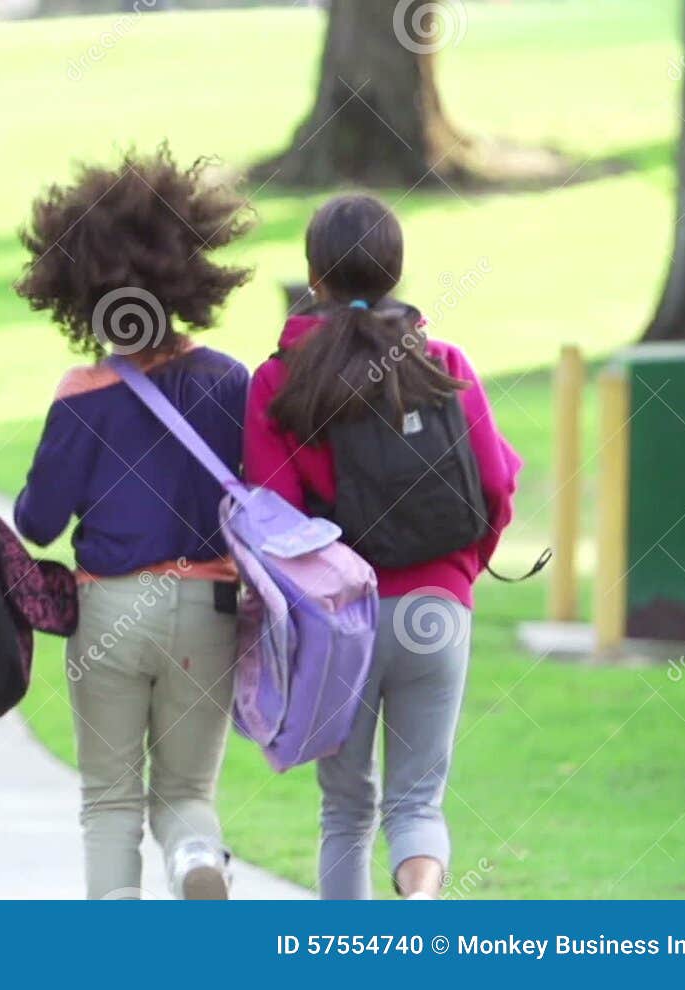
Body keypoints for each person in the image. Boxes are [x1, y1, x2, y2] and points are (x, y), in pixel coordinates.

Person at [243, 193, 522, 899]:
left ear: (315, 274)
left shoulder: (280, 380)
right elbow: (493, 482)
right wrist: (460, 571)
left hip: (345, 621)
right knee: (417, 803)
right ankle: (420, 906)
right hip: (438, 605)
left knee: (345, 808)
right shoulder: (442, 362)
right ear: (395, 269)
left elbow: (271, 516)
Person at [12, 147, 255, 899]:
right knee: (186, 795)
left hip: (111, 610)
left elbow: (39, 522)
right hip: (210, 612)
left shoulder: (82, 394)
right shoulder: (229, 380)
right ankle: (195, 862)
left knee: (110, 801)